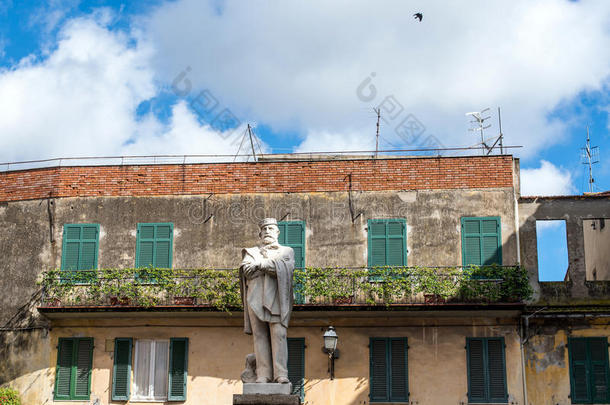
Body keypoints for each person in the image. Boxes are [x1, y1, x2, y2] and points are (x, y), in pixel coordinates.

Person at [239, 218, 295, 384]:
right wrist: (269, 267)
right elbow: (247, 271)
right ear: (260, 233)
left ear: (277, 232)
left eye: (271, 229)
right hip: (255, 297)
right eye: (264, 229)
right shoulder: (251, 252)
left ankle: (281, 374)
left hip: (277, 298)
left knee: (279, 334)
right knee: (259, 336)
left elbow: (287, 268)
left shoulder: (287, 251)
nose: (268, 232)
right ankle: (263, 375)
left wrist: (261, 265)